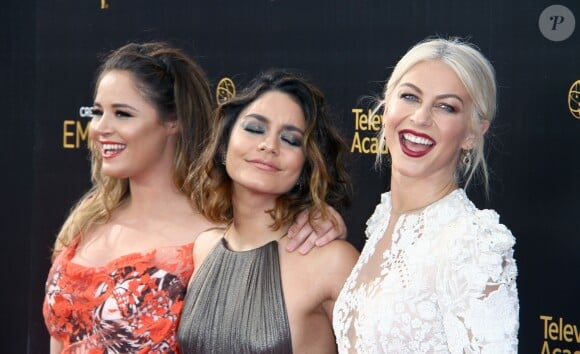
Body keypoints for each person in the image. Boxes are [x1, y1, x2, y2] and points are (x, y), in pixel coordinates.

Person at [43, 42, 347, 353]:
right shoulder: (87, 219)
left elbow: (267, 245)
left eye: (122, 113)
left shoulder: (209, 234)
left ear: (173, 121)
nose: (100, 128)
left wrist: (317, 216)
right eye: (97, 112)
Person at [333, 37, 519, 353]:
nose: (420, 117)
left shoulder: (471, 242)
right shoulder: (383, 220)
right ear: (386, 106)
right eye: (409, 96)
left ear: (472, 134)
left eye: (446, 106)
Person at [177, 69, 360, 353]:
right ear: (224, 146)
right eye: (254, 128)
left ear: (305, 165)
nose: (269, 145)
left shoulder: (332, 262)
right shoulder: (204, 247)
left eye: (290, 140)